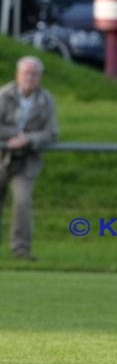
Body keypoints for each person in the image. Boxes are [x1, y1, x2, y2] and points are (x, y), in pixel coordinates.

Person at [0, 56, 58, 261]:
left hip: (26, 161)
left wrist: (27, 139)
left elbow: (51, 132)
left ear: (40, 77)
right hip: (2, 157)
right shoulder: (4, 95)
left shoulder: (46, 100)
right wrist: (13, 136)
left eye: (34, 74)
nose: (30, 77)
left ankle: (21, 250)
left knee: (22, 202)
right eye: (26, 73)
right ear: (17, 75)